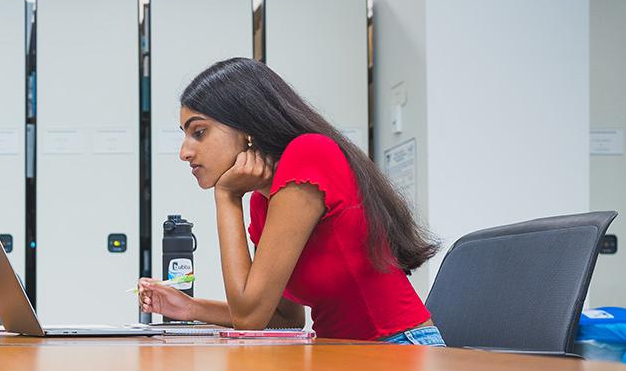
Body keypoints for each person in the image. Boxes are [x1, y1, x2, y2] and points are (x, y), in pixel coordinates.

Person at [138, 58, 444, 345]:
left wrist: (227, 196)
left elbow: (249, 317)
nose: (185, 152)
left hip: (398, 347)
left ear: (246, 129)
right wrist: (192, 308)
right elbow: (282, 317)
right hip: (345, 354)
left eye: (199, 132)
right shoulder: (263, 200)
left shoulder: (308, 155)